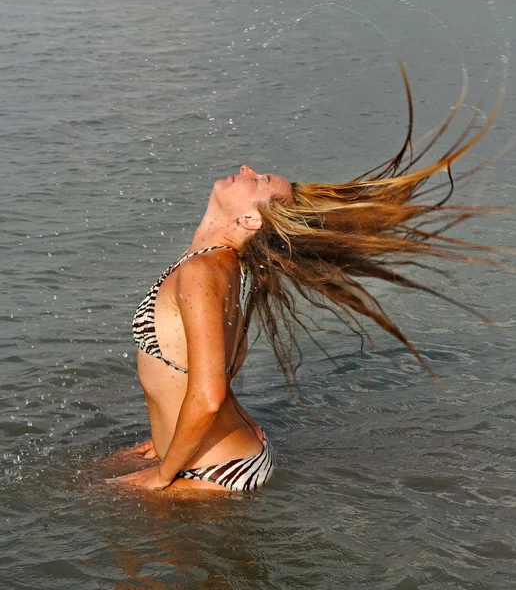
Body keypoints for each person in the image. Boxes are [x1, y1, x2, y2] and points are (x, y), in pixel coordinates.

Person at [107, 71, 503, 493]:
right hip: (217, 454)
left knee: (104, 526)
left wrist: (163, 476)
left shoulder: (204, 271)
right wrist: (168, 434)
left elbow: (208, 395)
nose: (247, 168)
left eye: (258, 180)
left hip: (212, 472)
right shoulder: (229, 266)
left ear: (249, 220)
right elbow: (217, 364)